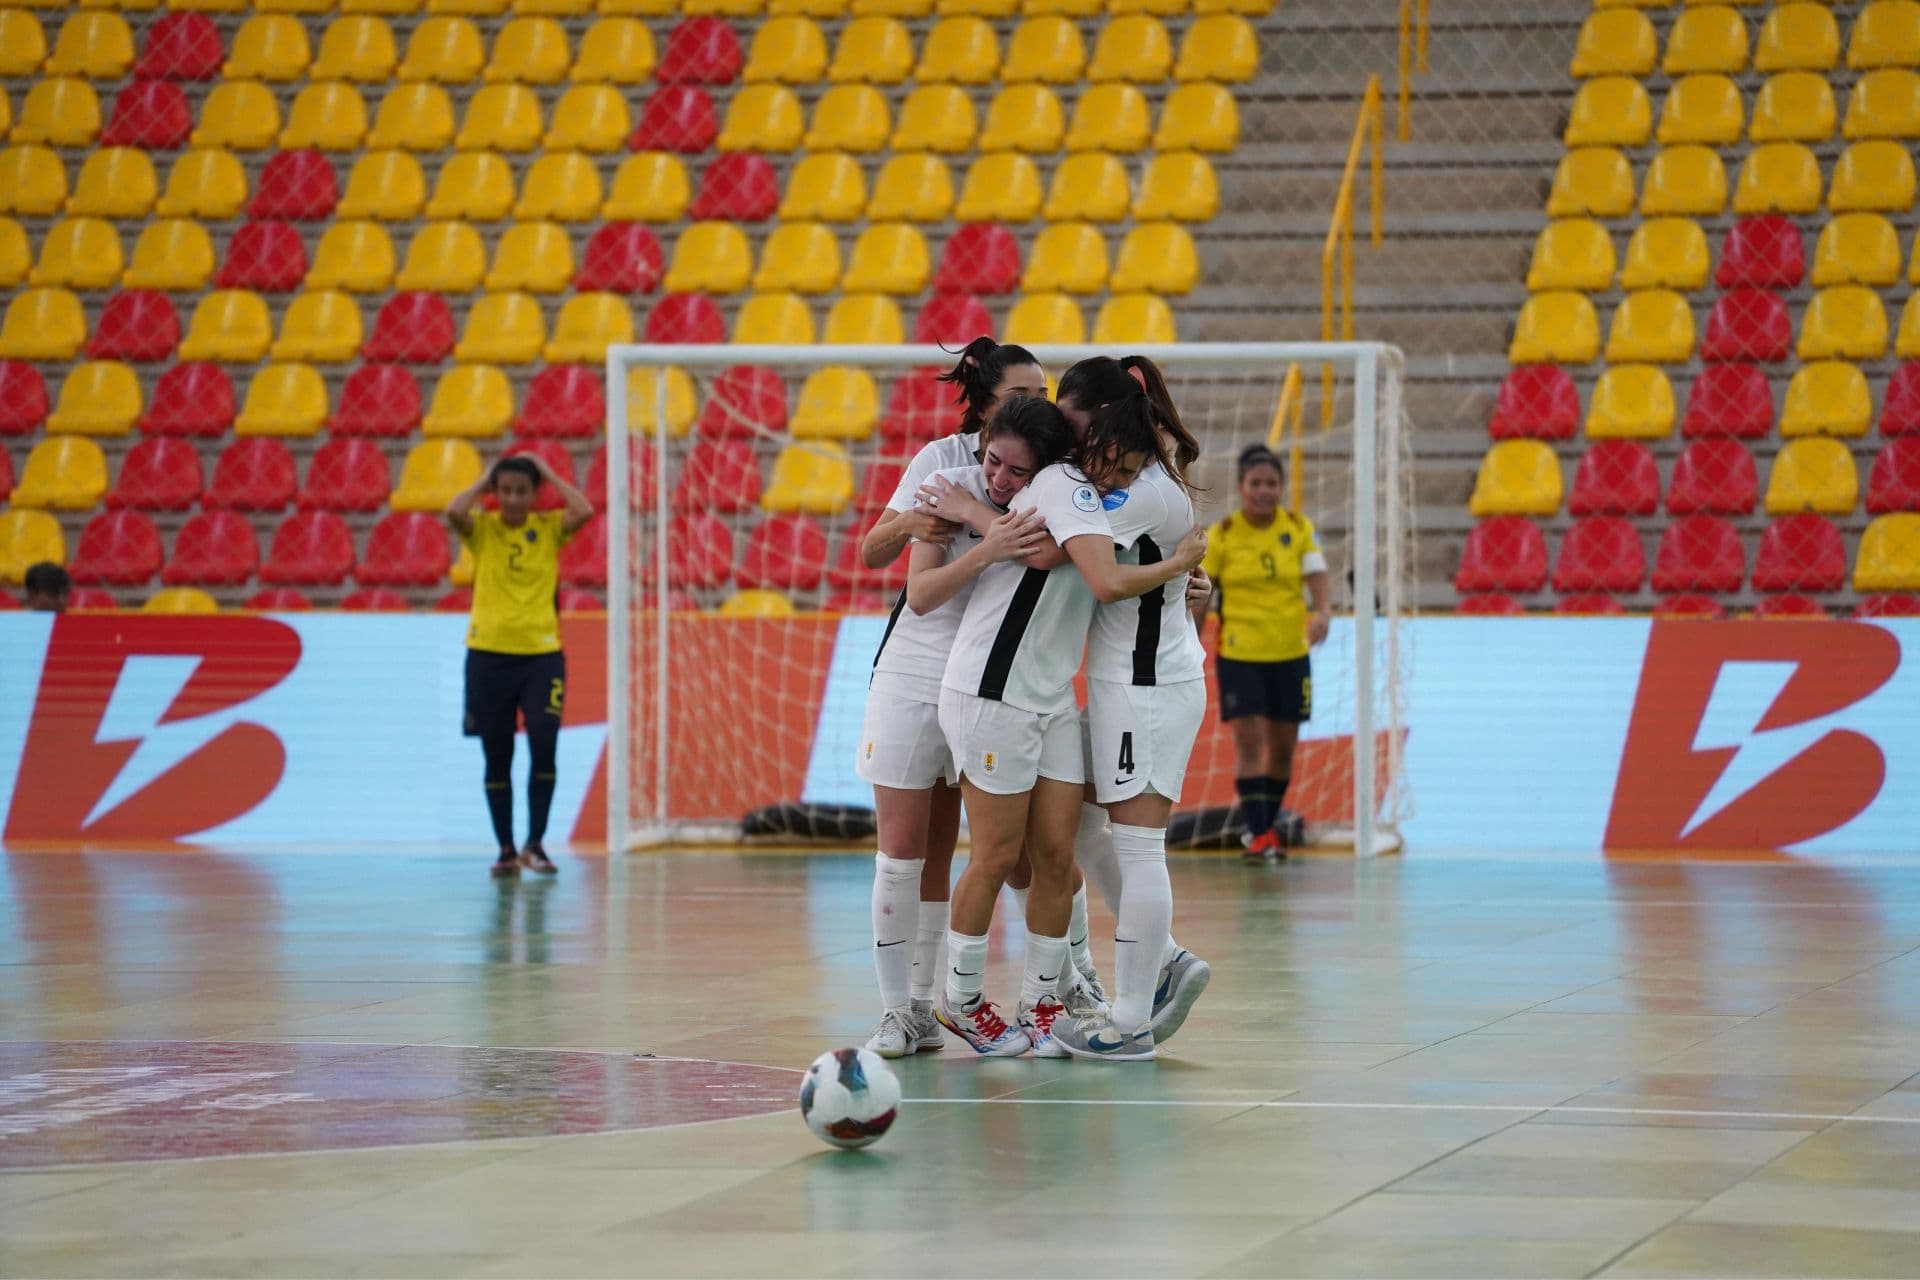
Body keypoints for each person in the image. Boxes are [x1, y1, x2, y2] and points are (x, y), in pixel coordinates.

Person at [926, 399, 1206, 1056]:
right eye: (992, 462)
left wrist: (1189, 582)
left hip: (1049, 696)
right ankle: (959, 1001)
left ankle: (1042, 1003)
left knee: (1056, 857)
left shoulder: (1093, 494)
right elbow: (1066, 559)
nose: (1125, 478)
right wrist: (1176, 564)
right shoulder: (1055, 484)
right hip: (992, 692)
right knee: (997, 856)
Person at [859, 396, 1070, 1059]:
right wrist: (985, 545)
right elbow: (918, 593)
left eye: (1016, 470)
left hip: (991, 685)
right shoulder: (946, 482)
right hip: (915, 675)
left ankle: (1038, 991)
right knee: (902, 850)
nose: (1001, 477)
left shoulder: (1050, 498)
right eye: (992, 461)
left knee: (1007, 853)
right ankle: (904, 1012)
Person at [445, 454, 593, 878]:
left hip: (541, 656)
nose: (512, 499)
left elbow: (582, 510)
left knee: (544, 743)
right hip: (488, 656)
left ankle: (536, 844)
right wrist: (482, 481)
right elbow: (454, 510)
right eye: (505, 491)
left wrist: (548, 473)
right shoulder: (484, 531)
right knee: (498, 754)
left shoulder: (547, 530)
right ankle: (506, 849)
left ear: (533, 495)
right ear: (496, 493)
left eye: (521, 491)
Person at [1195, 444, 1332, 863]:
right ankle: (1259, 835)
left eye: (1271, 483)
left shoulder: (1298, 527)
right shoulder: (1223, 535)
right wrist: (1192, 638)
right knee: (1250, 745)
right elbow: (1204, 591)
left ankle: (1264, 828)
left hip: (1291, 653)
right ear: (1241, 487)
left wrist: (1323, 612)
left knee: (1285, 748)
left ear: (1281, 487)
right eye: (1255, 483)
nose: (1263, 491)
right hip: (1241, 655)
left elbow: (1317, 573)